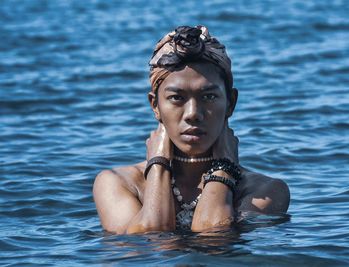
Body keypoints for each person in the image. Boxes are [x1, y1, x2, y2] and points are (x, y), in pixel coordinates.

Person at [93, 25, 290, 234]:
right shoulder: (118, 183)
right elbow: (149, 244)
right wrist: (158, 164)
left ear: (231, 103)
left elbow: (214, 240)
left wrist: (224, 167)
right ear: (155, 106)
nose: (193, 113)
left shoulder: (266, 191)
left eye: (209, 97)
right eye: (176, 98)